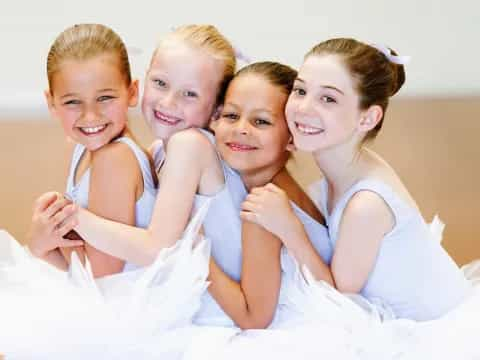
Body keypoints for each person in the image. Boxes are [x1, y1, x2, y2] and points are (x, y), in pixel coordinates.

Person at [241, 38, 469, 321]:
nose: (303, 108)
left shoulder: (366, 204)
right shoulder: (345, 166)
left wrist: (289, 229)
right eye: (300, 90)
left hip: (423, 335)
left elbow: (339, 300)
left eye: (329, 99)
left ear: (368, 118)